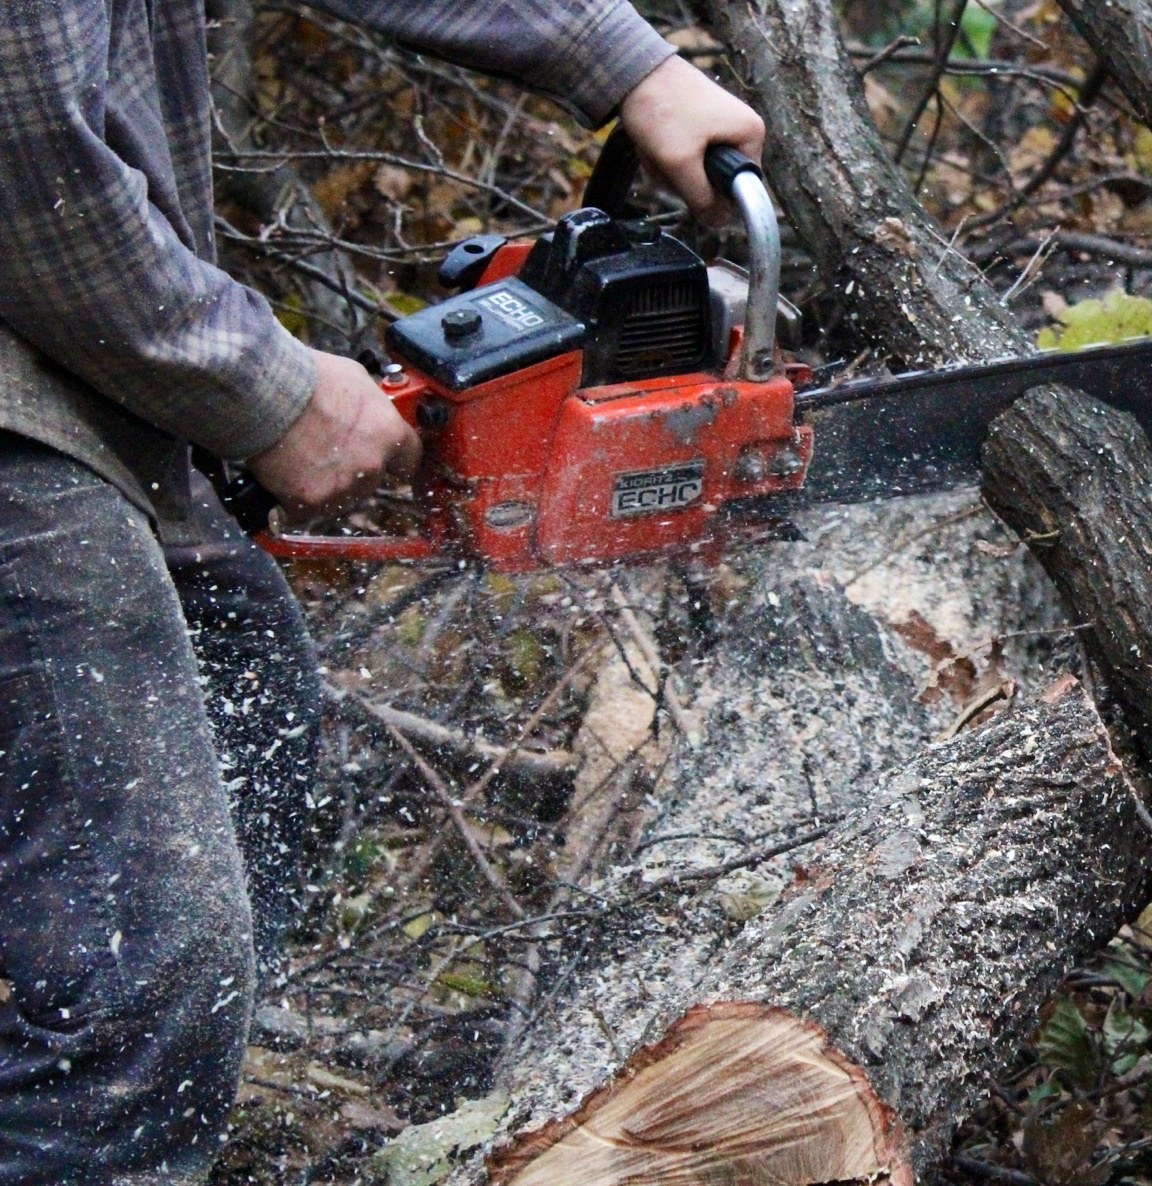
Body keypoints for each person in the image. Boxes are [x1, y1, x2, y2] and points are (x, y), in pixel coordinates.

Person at [0, 2, 764, 1181]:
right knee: (143, 974)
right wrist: (267, 390)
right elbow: (29, 187)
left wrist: (629, 64)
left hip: (62, 353)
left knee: (237, 679)